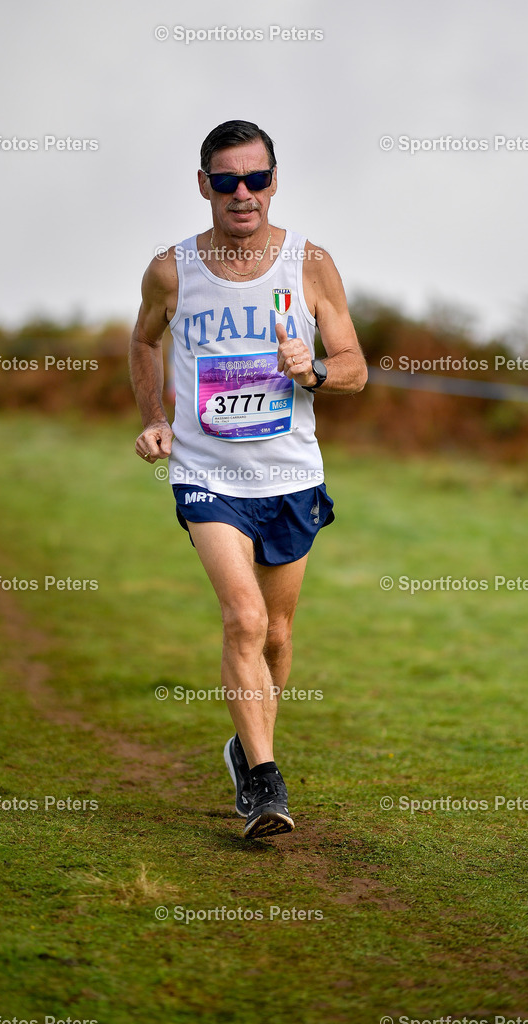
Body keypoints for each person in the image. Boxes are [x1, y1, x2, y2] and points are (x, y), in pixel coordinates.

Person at [130, 120, 367, 839]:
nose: (242, 194)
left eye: (256, 178)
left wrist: (314, 370)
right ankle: (264, 785)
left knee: (278, 635)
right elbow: (143, 339)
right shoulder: (171, 269)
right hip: (206, 473)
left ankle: (246, 743)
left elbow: (355, 368)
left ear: (273, 181)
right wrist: (154, 417)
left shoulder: (310, 263)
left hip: (290, 474)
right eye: (226, 180)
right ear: (203, 184)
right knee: (244, 618)